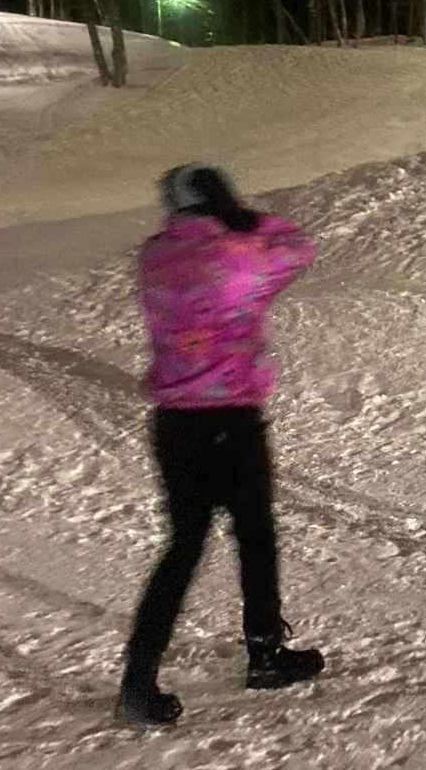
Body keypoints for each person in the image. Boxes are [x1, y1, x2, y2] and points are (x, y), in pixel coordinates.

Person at [116, 163, 324, 726]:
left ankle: (137, 680)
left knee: (183, 547)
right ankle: (265, 653)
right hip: (231, 417)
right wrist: (250, 217)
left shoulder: (155, 255)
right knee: (254, 535)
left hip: (174, 423)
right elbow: (298, 248)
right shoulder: (241, 254)